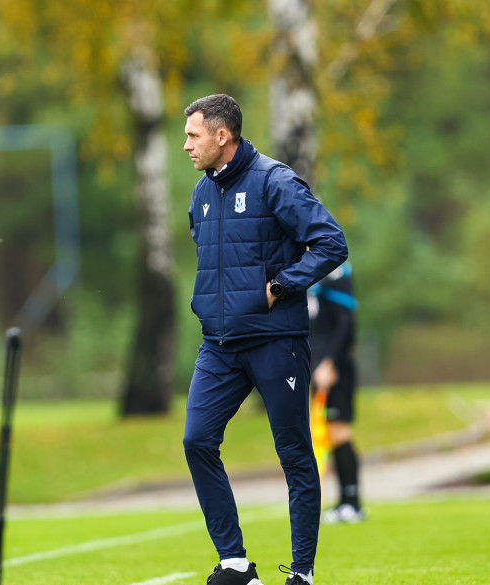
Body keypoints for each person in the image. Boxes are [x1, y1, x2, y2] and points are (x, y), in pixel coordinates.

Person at [181, 94, 348, 585]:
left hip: (277, 341)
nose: (187, 146)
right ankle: (235, 564)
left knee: (294, 453)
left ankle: (302, 573)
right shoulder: (201, 193)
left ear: (221, 135)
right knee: (196, 440)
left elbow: (331, 242)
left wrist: (279, 286)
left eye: (193, 135)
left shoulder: (275, 181)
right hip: (218, 345)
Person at [307, 263, 366, 524]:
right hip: (315, 366)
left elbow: (346, 322)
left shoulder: (335, 268)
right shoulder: (302, 266)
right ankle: (343, 502)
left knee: (339, 432)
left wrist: (329, 362)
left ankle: (352, 503)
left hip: (334, 369)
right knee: (328, 434)